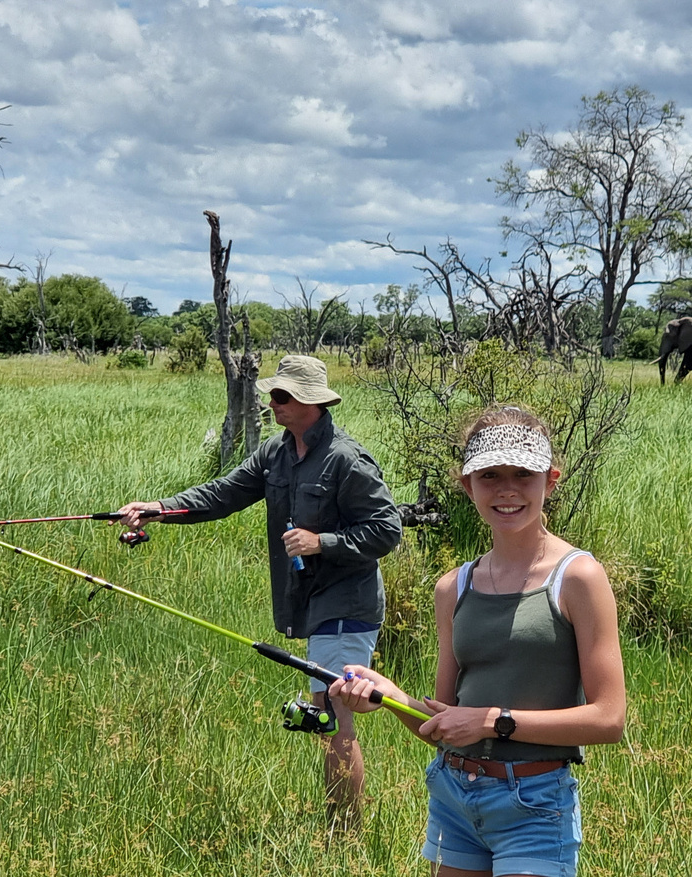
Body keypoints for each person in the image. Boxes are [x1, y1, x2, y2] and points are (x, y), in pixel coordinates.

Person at [330, 405, 626, 877]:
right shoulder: (453, 587)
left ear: (550, 480)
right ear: (468, 486)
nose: (507, 489)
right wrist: (388, 696)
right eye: (489, 475)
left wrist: (494, 722)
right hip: (453, 797)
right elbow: (445, 722)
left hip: (534, 802)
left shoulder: (579, 577)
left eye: (523, 474)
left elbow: (609, 719)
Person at [116, 354, 402, 827]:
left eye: (282, 396)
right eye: (272, 394)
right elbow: (223, 494)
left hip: (347, 602)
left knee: (331, 713)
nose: (273, 403)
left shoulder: (347, 459)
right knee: (324, 713)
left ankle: (344, 835)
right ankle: (341, 826)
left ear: (310, 401)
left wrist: (321, 542)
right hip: (310, 600)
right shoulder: (276, 452)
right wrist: (160, 508)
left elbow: (386, 529)